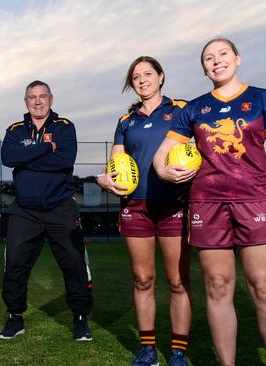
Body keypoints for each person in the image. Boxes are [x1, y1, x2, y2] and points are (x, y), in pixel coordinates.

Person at [153, 38, 266, 366]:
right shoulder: (193, 109)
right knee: (217, 288)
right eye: (208, 58)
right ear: (204, 67)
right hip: (207, 204)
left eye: (223, 54)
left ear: (237, 58)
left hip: (256, 200)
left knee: (264, 288)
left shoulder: (264, 99)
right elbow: (162, 155)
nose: (216, 61)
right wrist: (166, 172)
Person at [97, 57, 192, 366]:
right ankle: (148, 348)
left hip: (173, 202)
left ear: (161, 76)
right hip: (136, 205)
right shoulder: (126, 120)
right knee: (142, 279)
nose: (142, 80)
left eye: (148, 74)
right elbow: (116, 161)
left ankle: (178, 351)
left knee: (178, 281)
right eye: (136, 77)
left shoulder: (181, 109)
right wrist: (102, 178)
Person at [0, 80, 92, 341]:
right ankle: (14, 318)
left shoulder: (64, 127)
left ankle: (81, 320)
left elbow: (64, 160)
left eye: (42, 97)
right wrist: (43, 149)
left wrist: (26, 158)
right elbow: (8, 158)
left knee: (74, 264)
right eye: (32, 97)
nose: (37, 102)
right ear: (25, 102)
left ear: (51, 99)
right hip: (24, 211)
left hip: (61, 208)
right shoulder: (15, 130)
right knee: (15, 264)